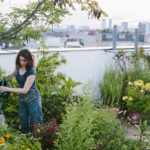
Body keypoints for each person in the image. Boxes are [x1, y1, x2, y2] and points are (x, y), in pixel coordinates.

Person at [0, 49, 43, 133]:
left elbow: (24, 90)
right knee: (24, 121)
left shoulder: (31, 71)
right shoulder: (18, 66)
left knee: (36, 122)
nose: (22, 62)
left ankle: (39, 141)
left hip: (33, 99)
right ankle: (25, 141)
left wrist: (6, 89)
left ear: (29, 60)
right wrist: (4, 76)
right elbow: (13, 73)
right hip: (22, 99)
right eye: (20, 60)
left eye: (25, 60)